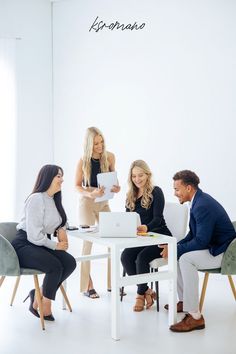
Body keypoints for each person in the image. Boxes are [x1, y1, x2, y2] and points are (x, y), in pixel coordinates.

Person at [161, 170, 236, 332]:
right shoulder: (197, 201)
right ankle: (185, 301)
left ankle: (195, 317)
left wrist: (176, 249)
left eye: (177, 189)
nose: (175, 193)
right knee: (178, 256)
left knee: (186, 259)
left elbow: (201, 241)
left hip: (225, 252)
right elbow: (193, 235)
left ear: (188, 188)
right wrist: (175, 246)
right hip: (214, 246)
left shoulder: (202, 205)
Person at [11, 164, 76, 321]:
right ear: (48, 178)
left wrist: (62, 228)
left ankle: (38, 293)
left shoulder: (53, 200)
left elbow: (57, 222)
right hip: (24, 244)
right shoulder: (36, 199)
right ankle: (45, 305)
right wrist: (56, 245)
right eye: (58, 176)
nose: (62, 179)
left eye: (62, 176)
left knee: (69, 262)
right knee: (55, 266)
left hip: (39, 243)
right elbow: (34, 236)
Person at [75, 127, 120, 299]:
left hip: (104, 202)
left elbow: (114, 181)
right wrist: (90, 193)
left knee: (111, 240)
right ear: (89, 144)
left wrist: (117, 187)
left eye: (101, 142)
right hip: (87, 202)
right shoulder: (83, 161)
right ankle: (87, 284)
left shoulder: (110, 157)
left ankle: (111, 283)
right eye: (95, 144)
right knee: (88, 243)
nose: (100, 146)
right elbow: (76, 185)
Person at [120, 160, 172, 312]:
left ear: (147, 174)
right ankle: (147, 291)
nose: (137, 179)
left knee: (141, 258)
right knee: (125, 257)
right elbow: (127, 218)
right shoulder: (130, 194)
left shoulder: (156, 191)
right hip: (141, 238)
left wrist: (145, 227)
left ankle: (139, 295)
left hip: (159, 235)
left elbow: (157, 218)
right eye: (134, 176)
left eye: (140, 175)